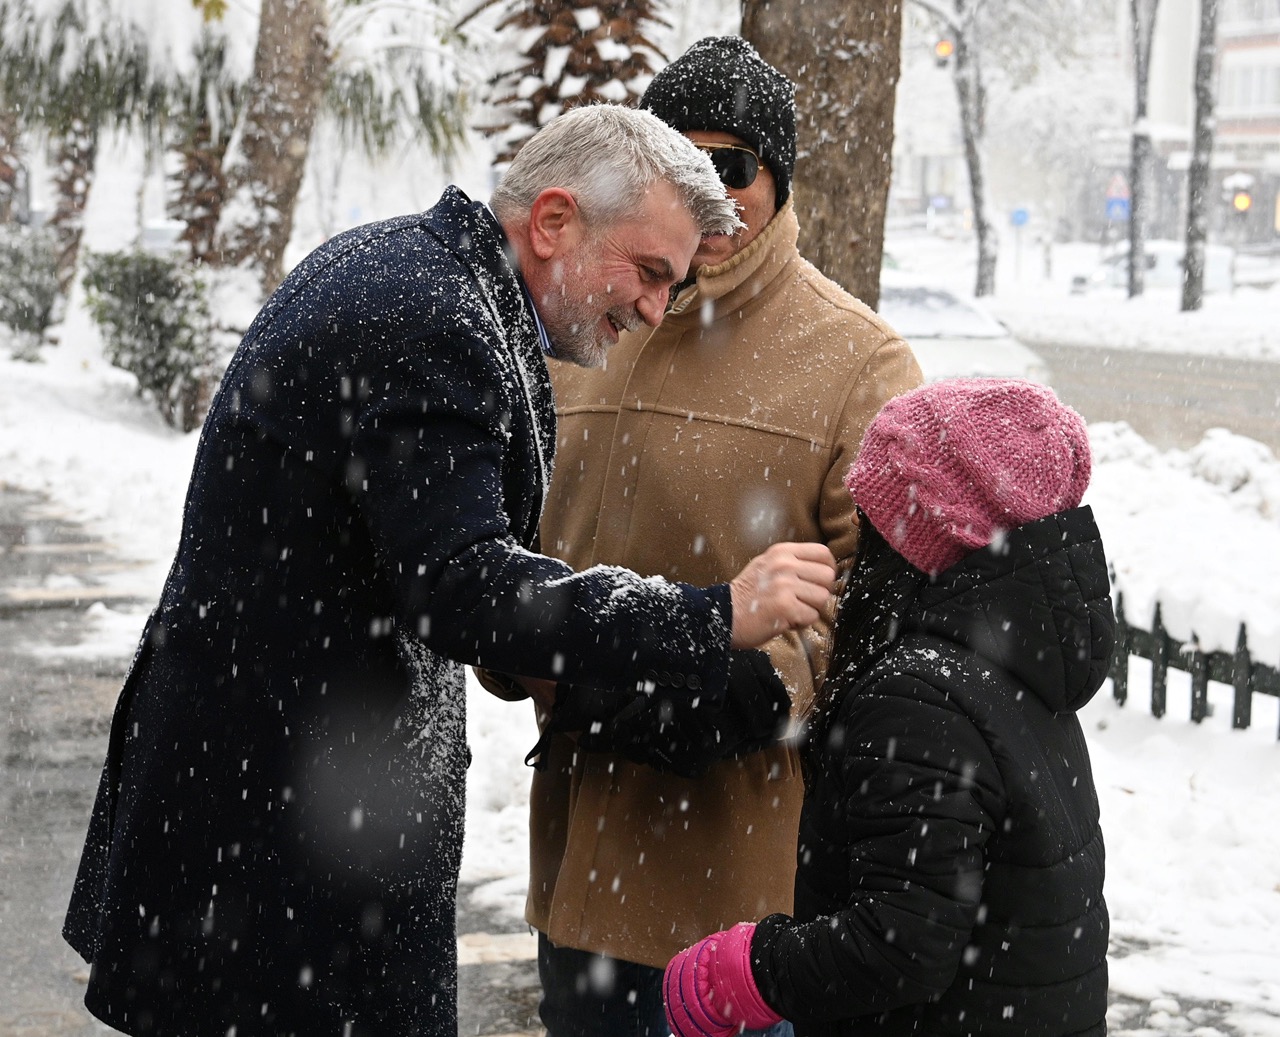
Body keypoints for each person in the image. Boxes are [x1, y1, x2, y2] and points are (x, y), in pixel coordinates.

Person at [60, 103, 841, 1037]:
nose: (652, 308)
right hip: (274, 855)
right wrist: (712, 614)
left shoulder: (426, 279)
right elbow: (464, 587)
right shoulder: (430, 316)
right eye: (647, 272)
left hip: (284, 826)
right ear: (554, 221)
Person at [495, 35, 923, 1037]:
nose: (711, 194)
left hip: (743, 895)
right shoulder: (582, 329)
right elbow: (510, 539)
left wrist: (756, 685)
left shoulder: (858, 358)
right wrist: (523, 655)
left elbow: (887, 592)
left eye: (731, 166)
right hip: (576, 873)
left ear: (780, 178)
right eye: (680, 164)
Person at [662, 378, 1115, 1037]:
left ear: (915, 535)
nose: (858, 527)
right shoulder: (1017, 661)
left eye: (869, 510)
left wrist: (748, 970)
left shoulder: (920, 695)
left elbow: (900, 942)